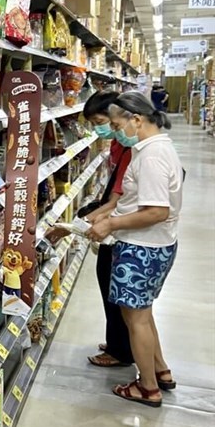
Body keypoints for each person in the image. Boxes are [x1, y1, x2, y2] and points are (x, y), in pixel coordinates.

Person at [87, 92, 183, 408]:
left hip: (143, 249)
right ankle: (160, 371)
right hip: (153, 245)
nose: (115, 131)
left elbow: (157, 211)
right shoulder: (157, 148)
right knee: (143, 314)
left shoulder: (152, 156)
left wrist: (111, 225)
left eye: (116, 125)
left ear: (136, 120)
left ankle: (148, 387)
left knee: (136, 320)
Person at [48, 91, 134, 367]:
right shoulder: (119, 146)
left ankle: (121, 351)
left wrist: (80, 225)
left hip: (124, 232)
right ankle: (117, 342)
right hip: (114, 226)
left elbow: (118, 201)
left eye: (101, 121)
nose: (98, 128)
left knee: (117, 293)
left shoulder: (136, 150)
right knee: (108, 286)